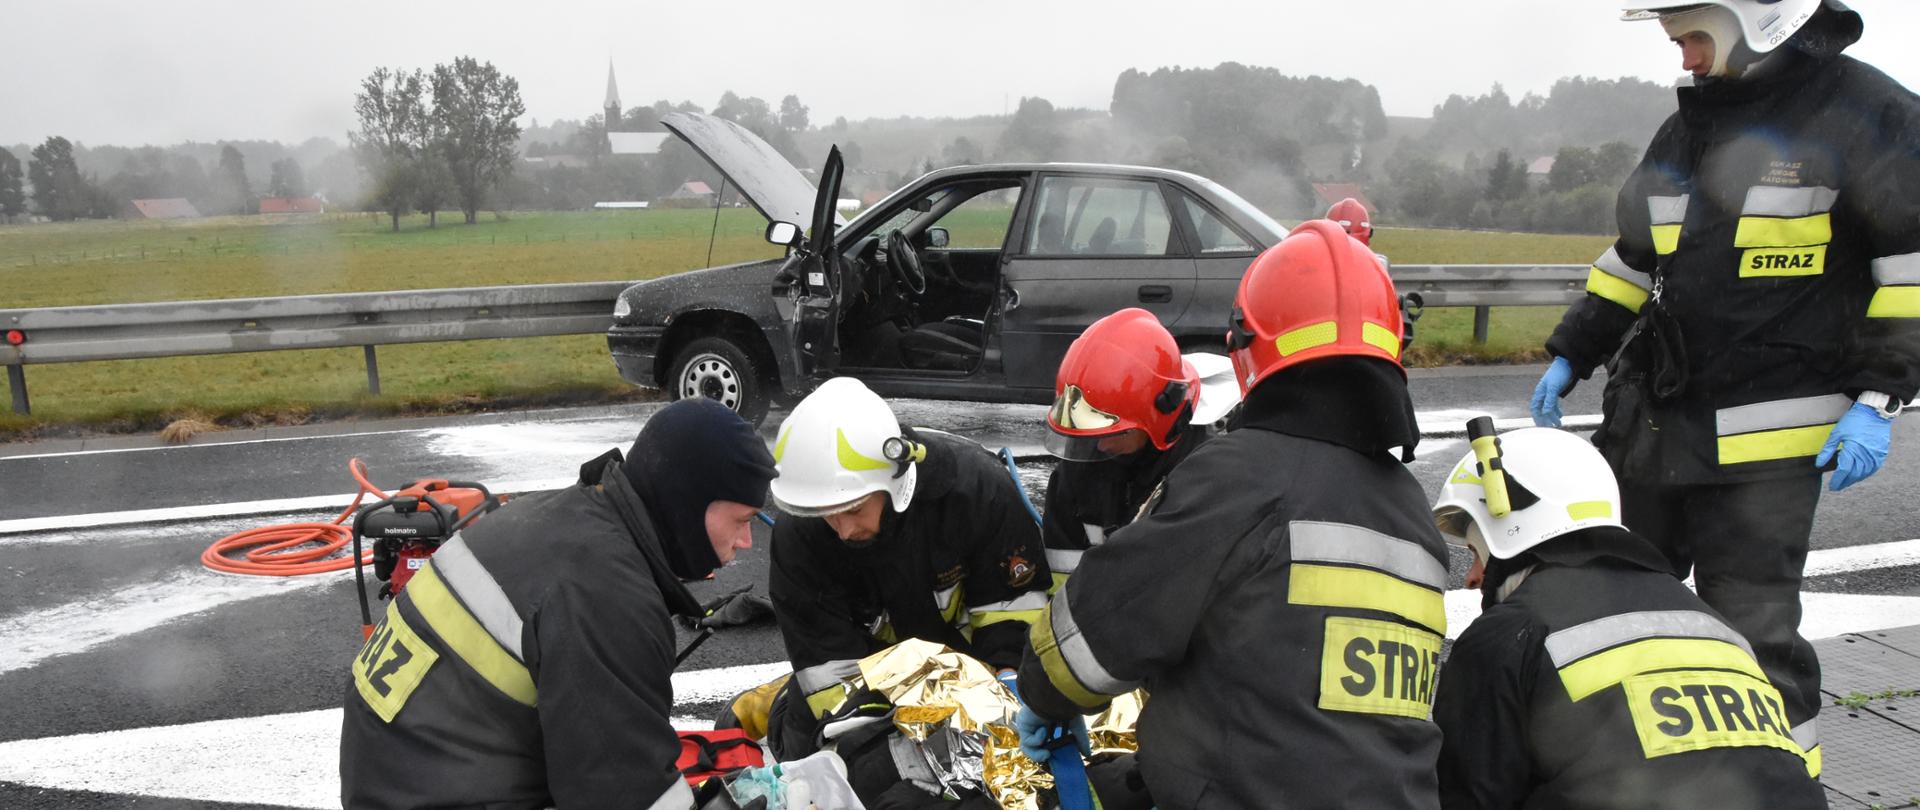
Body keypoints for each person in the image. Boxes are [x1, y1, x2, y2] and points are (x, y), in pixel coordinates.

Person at [1529, 0, 1919, 772]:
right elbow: (1636, 259)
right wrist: (1575, 349)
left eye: (1694, 39)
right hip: (1653, 428)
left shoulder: (1872, 117)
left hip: (1769, 452)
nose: (1683, 60)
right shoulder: (1690, 127)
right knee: (1618, 612)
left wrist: (1880, 398)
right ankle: (1636, 781)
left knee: (1755, 637)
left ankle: (1782, 786)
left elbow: (1912, 275)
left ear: (1757, 18)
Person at [1015, 220, 1447, 808]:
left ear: (1245, 344)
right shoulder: (1414, 514)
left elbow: (1088, 645)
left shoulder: (1239, 477)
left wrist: (1043, 696)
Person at [339, 398, 777, 810]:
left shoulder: (566, 517)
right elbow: (620, 793)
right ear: (686, 503)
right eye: (740, 520)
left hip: (397, 776)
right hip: (435, 791)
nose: (745, 541)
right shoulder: (606, 594)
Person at [1430, 424, 1825, 808]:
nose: (1472, 577)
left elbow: (1466, 794)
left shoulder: (1509, 634)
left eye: (1475, 553)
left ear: (1508, 531)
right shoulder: (1714, 626)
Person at [732, 377, 1048, 797]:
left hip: (975, 666)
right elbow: (830, 675)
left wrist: (1000, 702)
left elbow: (1016, 615)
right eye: (828, 515)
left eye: (854, 509)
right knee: (826, 768)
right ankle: (782, 704)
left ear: (894, 483)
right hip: (872, 675)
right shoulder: (802, 532)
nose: (842, 530)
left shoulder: (977, 492)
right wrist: (878, 747)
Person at [1040, 307, 1213, 588]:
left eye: (1113, 432)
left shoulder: (1205, 480)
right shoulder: (1075, 475)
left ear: (1158, 419)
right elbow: (1062, 583)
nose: (1098, 444)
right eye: (1085, 428)